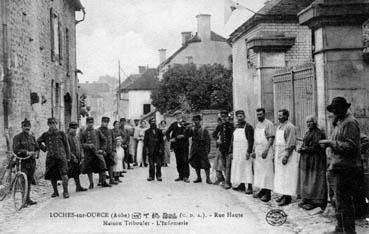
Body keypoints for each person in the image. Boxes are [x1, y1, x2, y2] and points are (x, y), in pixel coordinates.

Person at [320, 97, 362, 234]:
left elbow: (351, 147)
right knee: (338, 202)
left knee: (345, 203)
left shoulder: (350, 123)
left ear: (344, 109)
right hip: (337, 167)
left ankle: (349, 231)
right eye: (333, 110)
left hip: (345, 168)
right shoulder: (340, 121)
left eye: (336, 110)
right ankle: (340, 228)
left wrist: (331, 143)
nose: (334, 112)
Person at [297, 115, 327, 210]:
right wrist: (301, 147)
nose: (308, 124)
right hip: (307, 159)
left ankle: (315, 201)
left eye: (310, 122)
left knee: (314, 179)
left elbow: (315, 147)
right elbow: (305, 142)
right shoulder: (308, 132)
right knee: (306, 179)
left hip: (315, 159)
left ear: (314, 122)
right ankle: (307, 199)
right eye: (307, 122)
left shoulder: (318, 133)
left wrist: (303, 149)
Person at [37, 118, 71, 198]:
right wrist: (44, 148)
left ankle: (65, 192)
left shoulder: (61, 133)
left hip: (61, 157)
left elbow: (67, 146)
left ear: (56, 124)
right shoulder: (45, 134)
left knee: (64, 174)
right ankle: (55, 192)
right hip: (51, 157)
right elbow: (37, 142)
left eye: (54, 123)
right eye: (50, 123)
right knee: (52, 175)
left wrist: (68, 157)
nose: (52, 125)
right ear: (48, 124)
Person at [273, 109, 299, 206]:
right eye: (278, 115)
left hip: (287, 154)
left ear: (286, 116)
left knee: (287, 176)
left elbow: (291, 143)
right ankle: (283, 194)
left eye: (281, 116)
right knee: (281, 176)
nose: (279, 117)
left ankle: (287, 197)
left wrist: (286, 156)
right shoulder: (279, 127)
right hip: (279, 153)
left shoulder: (290, 127)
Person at [12, 118, 40, 206]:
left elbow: (37, 148)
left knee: (29, 181)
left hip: (32, 162)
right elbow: (16, 150)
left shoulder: (32, 137)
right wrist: (27, 152)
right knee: (24, 181)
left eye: (28, 126)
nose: (27, 128)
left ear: (30, 127)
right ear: (22, 127)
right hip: (22, 162)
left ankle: (27, 199)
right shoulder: (17, 137)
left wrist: (36, 154)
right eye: (25, 126)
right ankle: (23, 201)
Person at [80, 117, 111, 189]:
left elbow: (104, 140)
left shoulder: (97, 131)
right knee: (89, 168)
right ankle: (91, 183)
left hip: (97, 152)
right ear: (87, 123)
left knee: (102, 166)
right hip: (88, 154)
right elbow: (81, 144)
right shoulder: (83, 133)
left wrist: (102, 150)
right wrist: (87, 145)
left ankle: (103, 182)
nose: (90, 124)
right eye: (89, 123)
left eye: (91, 123)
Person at [251, 108, 275, 202]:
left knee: (267, 172)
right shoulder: (257, 125)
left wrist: (266, 150)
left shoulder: (269, 124)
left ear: (264, 114)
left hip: (266, 151)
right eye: (257, 114)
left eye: (260, 114)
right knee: (259, 172)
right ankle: (262, 190)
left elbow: (271, 138)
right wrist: (253, 150)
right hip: (258, 151)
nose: (259, 116)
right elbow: (255, 139)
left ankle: (267, 193)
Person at [229, 110, 254, 194]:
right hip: (236, 150)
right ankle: (241, 184)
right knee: (238, 167)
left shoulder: (248, 127)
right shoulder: (235, 127)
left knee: (247, 168)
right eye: (238, 116)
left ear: (244, 117)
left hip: (245, 150)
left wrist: (248, 151)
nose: (239, 118)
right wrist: (231, 152)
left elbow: (251, 140)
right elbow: (232, 140)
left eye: (241, 116)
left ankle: (249, 187)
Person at [166, 111, 190, 183]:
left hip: (184, 145)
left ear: (181, 115)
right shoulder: (173, 124)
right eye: (176, 115)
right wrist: (169, 139)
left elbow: (189, 133)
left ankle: (186, 176)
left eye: (179, 115)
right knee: (178, 161)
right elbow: (167, 132)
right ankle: (180, 175)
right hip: (176, 146)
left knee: (185, 160)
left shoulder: (186, 123)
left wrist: (184, 136)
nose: (177, 116)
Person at [212, 111, 234, 188]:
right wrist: (217, 140)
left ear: (228, 117)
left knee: (228, 166)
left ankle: (228, 183)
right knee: (224, 166)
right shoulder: (220, 126)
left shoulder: (231, 126)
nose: (224, 118)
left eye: (225, 116)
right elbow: (214, 134)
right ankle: (226, 181)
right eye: (222, 117)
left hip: (229, 149)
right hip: (222, 149)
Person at [188, 115, 212, 184]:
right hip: (194, 148)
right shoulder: (192, 129)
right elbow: (188, 135)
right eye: (194, 120)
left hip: (202, 148)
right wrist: (188, 128)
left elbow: (208, 140)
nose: (196, 122)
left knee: (206, 164)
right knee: (196, 163)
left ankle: (208, 178)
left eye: (197, 120)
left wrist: (207, 150)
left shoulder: (204, 129)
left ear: (200, 121)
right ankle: (199, 177)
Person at [67, 122, 87, 192]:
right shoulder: (67, 137)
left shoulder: (76, 137)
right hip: (71, 159)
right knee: (68, 174)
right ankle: (65, 190)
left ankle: (78, 187)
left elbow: (80, 147)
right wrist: (73, 157)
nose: (74, 130)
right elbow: (68, 149)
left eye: (75, 128)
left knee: (77, 173)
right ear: (69, 128)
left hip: (78, 158)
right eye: (73, 128)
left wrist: (82, 156)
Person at [98, 117, 117, 185]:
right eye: (104, 121)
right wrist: (101, 150)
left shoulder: (110, 131)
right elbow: (97, 142)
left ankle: (111, 179)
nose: (105, 123)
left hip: (109, 151)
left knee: (110, 165)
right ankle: (101, 180)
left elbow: (113, 140)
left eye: (107, 122)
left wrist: (113, 150)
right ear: (101, 122)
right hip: (102, 152)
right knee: (101, 167)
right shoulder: (98, 130)